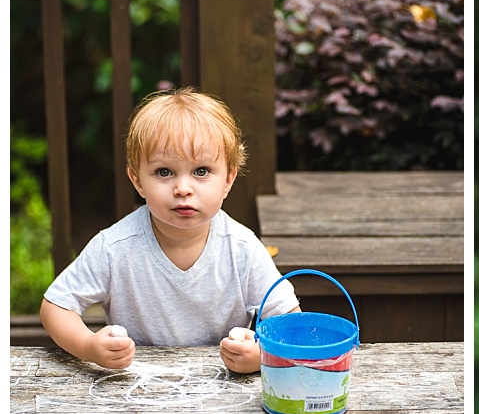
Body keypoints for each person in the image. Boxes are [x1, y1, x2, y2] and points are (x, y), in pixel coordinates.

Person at [39, 87, 297, 375]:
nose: (183, 189)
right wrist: (88, 346)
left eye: (201, 171)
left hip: (222, 393)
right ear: (137, 180)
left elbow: (289, 320)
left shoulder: (242, 248)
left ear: (228, 179)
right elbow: (56, 306)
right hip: (135, 390)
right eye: (164, 172)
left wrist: (262, 354)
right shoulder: (114, 247)